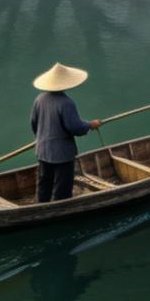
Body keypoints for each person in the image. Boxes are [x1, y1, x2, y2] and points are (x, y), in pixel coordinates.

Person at [30, 62, 101, 203]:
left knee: (44, 182)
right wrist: (90, 125)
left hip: (43, 149)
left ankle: (41, 204)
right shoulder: (66, 103)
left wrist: (42, 138)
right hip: (62, 153)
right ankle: (59, 207)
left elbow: (34, 124)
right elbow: (74, 128)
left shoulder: (39, 99)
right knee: (62, 187)